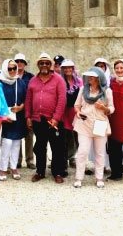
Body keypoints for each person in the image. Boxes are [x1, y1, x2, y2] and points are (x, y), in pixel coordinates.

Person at [25, 53, 67, 183]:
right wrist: (28, 117)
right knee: (39, 147)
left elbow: (62, 100)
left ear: (51, 65)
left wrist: (56, 118)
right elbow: (28, 100)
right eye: (42, 63)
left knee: (57, 147)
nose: (44, 65)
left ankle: (57, 172)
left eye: (47, 63)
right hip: (38, 119)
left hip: (53, 120)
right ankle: (40, 171)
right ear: (38, 65)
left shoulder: (58, 80)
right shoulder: (33, 81)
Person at [73, 67, 114, 188]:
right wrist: (78, 112)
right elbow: (77, 105)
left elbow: (112, 108)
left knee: (100, 152)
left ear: (99, 78)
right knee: (83, 151)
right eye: (88, 76)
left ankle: (99, 177)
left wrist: (104, 108)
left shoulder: (107, 91)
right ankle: (79, 177)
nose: (89, 78)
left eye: (92, 76)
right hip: (84, 123)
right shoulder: (83, 89)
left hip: (100, 123)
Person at [0, 59, 27, 181]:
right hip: (5, 117)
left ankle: (14, 167)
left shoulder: (20, 82)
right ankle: (3, 168)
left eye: (14, 68)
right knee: (7, 143)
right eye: (9, 68)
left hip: (18, 116)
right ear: (5, 68)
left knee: (16, 142)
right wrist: (3, 116)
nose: (12, 71)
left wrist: (21, 107)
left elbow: (26, 98)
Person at [14, 53, 35, 170]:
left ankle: (30, 160)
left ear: (25, 64)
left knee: (29, 135)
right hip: (16, 110)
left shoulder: (31, 77)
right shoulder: (10, 76)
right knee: (17, 135)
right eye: (17, 61)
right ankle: (17, 160)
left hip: (28, 109)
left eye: (21, 61)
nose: (19, 63)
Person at [60, 59, 81, 169]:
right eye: (65, 68)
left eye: (70, 67)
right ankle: (66, 158)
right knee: (66, 137)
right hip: (65, 113)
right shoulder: (60, 82)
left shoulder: (79, 82)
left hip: (76, 113)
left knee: (78, 137)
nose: (68, 70)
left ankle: (78, 159)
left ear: (73, 69)